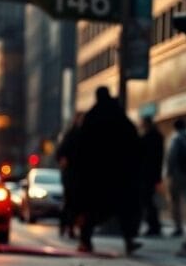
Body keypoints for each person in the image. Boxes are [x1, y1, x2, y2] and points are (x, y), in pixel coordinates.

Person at [74, 86, 143, 255]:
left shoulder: (91, 117)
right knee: (123, 209)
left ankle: (85, 240)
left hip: (96, 173)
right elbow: (133, 140)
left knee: (93, 209)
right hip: (119, 171)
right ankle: (129, 240)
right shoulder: (118, 115)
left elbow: (81, 147)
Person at [165, 119, 186, 237]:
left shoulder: (175, 139)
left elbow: (171, 157)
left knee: (175, 201)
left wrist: (168, 173)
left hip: (177, 174)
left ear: (175, 127)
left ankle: (178, 227)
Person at [55, 112, 83, 239]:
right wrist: (63, 161)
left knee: (75, 203)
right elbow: (60, 153)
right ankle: (67, 226)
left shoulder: (82, 134)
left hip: (78, 175)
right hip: (71, 175)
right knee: (70, 202)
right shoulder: (71, 135)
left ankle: (70, 227)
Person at [139, 116, 165, 237]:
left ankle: (153, 225)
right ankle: (155, 225)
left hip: (146, 174)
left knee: (147, 201)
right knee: (150, 200)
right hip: (154, 173)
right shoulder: (158, 137)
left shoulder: (147, 137)